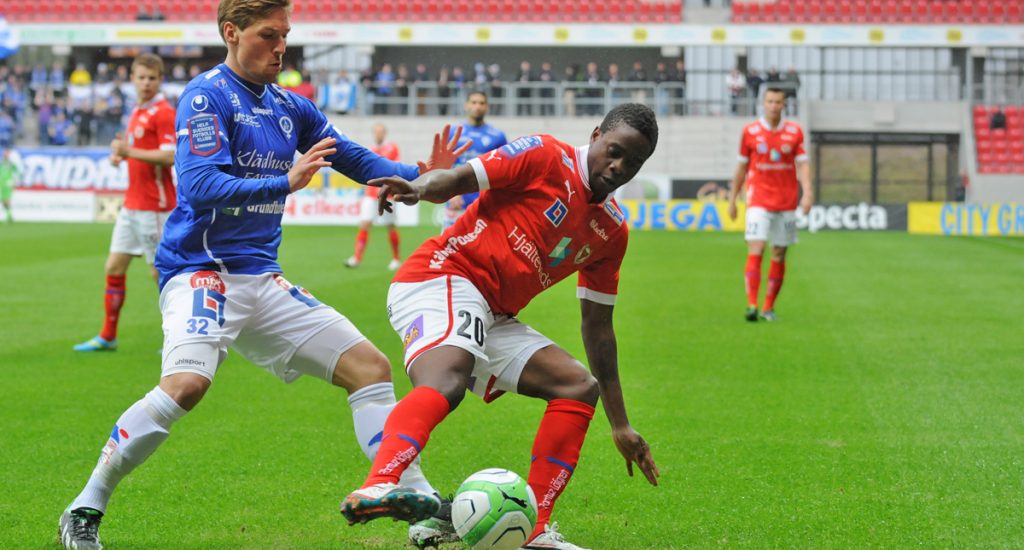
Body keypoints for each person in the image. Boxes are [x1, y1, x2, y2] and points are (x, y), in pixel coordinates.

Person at [57, 2, 468, 549]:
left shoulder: (289, 106)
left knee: (369, 368)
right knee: (185, 386)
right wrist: (286, 182)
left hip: (262, 278)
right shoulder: (206, 96)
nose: (281, 48)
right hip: (201, 272)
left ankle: (416, 505)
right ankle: (85, 505)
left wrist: (420, 175)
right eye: (269, 35)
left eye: (286, 35)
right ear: (231, 33)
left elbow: (349, 156)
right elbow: (199, 184)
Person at [341, 103, 662, 550]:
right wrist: (416, 187)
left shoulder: (610, 231)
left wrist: (620, 424)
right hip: (441, 276)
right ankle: (381, 482)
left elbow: (598, 328)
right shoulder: (546, 156)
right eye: (615, 151)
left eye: (634, 162)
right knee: (447, 378)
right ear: (595, 134)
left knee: (577, 387)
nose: (619, 167)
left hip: (492, 312)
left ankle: (534, 530)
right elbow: (455, 180)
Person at [73, 53, 177, 353]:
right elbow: (136, 151)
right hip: (132, 205)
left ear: (160, 80)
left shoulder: (164, 112)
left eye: (152, 78)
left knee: (161, 274)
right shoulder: (136, 111)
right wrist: (120, 155)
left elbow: (170, 155)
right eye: (141, 77)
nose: (146, 83)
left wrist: (129, 152)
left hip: (156, 207)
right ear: (132, 78)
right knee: (114, 266)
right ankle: (108, 335)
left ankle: (176, 338)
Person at [727, 87, 812, 322]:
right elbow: (741, 167)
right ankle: (752, 304)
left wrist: (808, 193)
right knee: (757, 248)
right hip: (758, 201)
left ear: (784, 105)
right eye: (770, 101)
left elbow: (803, 164)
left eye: (778, 102)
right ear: (763, 104)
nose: (774, 105)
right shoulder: (750, 132)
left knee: (779, 253)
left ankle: (768, 307)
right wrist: (732, 199)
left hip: (786, 202)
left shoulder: (795, 132)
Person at [441, 90, 507, 231]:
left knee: (481, 250)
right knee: (447, 248)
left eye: (482, 103)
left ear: (487, 107)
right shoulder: (453, 132)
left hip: (483, 203)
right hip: (456, 201)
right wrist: (451, 193)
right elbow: (444, 166)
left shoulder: (498, 136)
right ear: (466, 106)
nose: (477, 106)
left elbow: (503, 171)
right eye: (474, 102)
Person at [346, 122, 404, 270]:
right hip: (371, 194)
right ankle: (357, 258)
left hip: (388, 195)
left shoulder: (392, 148)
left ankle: (396, 258)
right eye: (376, 132)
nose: (378, 134)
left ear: (385, 133)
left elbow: (395, 169)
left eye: (381, 132)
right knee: (365, 223)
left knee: (390, 226)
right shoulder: (371, 150)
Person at [0, 147, 20, 223]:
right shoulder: (1, 162)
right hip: (1, 184)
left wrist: (13, 181)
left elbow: (17, 172)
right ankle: (9, 214)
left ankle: (9, 216)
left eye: (7, 153)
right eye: (5, 152)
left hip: (7, 184)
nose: (6, 154)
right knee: (3, 201)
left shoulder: (11, 163)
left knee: (7, 200)